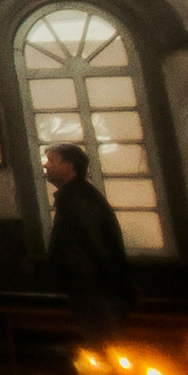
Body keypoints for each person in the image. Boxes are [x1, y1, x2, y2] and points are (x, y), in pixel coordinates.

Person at [44, 143, 135, 340]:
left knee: (105, 345)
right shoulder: (76, 196)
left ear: (69, 166)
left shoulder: (79, 200)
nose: (46, 166)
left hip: (94, 290)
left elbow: (97, 245)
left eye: (52, 161)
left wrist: (115, 286)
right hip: (89, 288)